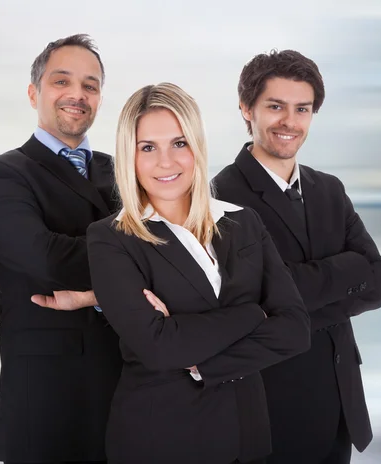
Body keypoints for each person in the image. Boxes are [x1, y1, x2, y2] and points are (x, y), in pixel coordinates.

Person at [86, 82, 310, 464]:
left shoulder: (243, 222)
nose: (166, 162)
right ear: (129, 155)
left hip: (246, 435)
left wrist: (203, 359)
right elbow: (160, 348)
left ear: (197, 146)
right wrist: (253, 314)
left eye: (179, 143)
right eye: (147, 147)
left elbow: (295, 330)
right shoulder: (111, 238)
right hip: (163, 440)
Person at [212, 50, 381, 464]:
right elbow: (258, 303)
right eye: (275, 106)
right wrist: (347, 272)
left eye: (302, 109)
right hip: (274, 404)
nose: (289, 121)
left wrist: (293, 299)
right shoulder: (221, 198)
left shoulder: (328, 188)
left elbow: (378, 281)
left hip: (341, 397)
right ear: (246, 109)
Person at [0, 34, 122, 464]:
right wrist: (135, 257)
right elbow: (44, 256)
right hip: (49, 392)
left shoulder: (128, 169)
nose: (77, 94)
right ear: (34, 92)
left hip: (131, 378)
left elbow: (173, 247)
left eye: (90, 85)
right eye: (62, 81)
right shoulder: (0, 174)